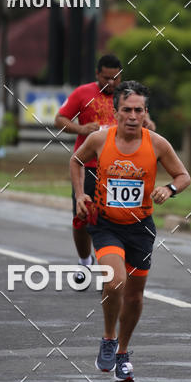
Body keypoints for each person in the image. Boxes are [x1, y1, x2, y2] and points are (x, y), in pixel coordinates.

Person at [70, 80, 191, 382]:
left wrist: (169, 188)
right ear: (117, 112)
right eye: (127, 110)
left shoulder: (157, 143)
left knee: (135, 298)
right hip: (106, 224)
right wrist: (78, 195)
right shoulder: (100, 139)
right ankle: (109, 337)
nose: (133, 116)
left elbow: (183, 175)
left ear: (145, 112)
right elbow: (75, 160)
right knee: (115, 282)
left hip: (140, 228)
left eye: (139, 110)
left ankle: (123, 352)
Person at [54, 54, 123, 280]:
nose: (111, 83)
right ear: (97, 74)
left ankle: (111, 268)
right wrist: (81, 130)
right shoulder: (82, 93)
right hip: (87, 166)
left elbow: (145, 121)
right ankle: (85, 261)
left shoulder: (128, 97)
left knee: (114, 220)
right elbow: (60, 119)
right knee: (83, 217)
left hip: (120, 170)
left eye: (115, 78)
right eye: (106, 78)